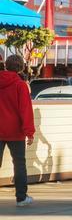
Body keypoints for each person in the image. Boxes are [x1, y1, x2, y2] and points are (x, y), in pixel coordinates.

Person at [0, 55, 35, 207]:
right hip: (16, 132)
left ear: (6, 66)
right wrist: (30, 132)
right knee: (19, 164)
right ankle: (21, 198)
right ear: (20, 67)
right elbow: (25, 110)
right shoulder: (20, 85)